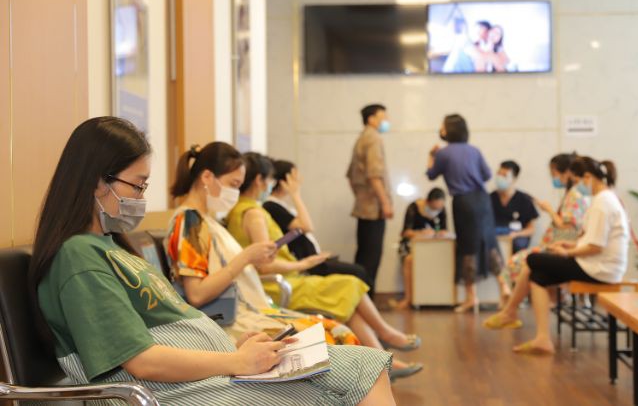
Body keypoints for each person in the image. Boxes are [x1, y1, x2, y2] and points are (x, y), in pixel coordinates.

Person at [30, 117, 394, 405]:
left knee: (364, 363)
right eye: (137, 185)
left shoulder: (110, 246)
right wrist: (235, 360)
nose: (141, 197)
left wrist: (232, 349)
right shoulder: (79, 257)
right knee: (340, 386)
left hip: (210, 368)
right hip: (172, 390)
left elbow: (166, 326)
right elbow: (141, 359)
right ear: (98, 182)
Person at [230, 152, 423, 381]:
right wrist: (303, 263)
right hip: (279, 284)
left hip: (286, 278)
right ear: (260, 180)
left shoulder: (245, 210)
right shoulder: (254, 214)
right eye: (270, 180)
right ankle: (386, 340)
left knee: (349, 297)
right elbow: (264, 265)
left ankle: (383, 361)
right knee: (351, 283)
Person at [165, 143, 360, 346]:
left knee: (336, 330)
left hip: (247, 312)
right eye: (233, 184)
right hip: (231, 322)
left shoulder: (206, 221)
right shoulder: (190, 221)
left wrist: (253, 257)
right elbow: (197, 294)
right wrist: (247, 257)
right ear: (207, 177)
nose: (235, 192)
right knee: (336, 335)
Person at [483, 156, 629, 356]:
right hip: (597, 264)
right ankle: (540, 337)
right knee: (538, 275)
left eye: (577, 181)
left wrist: (568, 252)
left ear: (588, 177)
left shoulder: (603, 202)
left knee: (533, 260)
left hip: (600, 268)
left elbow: (595, 246)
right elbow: (591, 240)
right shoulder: (603, 199)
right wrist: (571, 245)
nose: (577, 186)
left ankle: (510, 312)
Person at [426, 114, 510, 312]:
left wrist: (431, 156)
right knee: (490, 243)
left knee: (467, 248)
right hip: (483, 199)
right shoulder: (474, 150)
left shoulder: (443, 153)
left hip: (463, 202)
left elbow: (431, 175)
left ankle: (472, 297)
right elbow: (487, 175)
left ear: (449, 131)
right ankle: (504, 287)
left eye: (443, 127)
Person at [265, 159, 373, 291]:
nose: (299, 181)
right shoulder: (271, 205)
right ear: (284, 181)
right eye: (295, 177)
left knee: (360, 271)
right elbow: (307, 226)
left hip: (313, 259)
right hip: (307, 264)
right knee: (358, 272)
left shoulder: (279, 204)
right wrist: (296, 195)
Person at [504, 153, 590, 284]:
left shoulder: (574, 195)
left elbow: (568, 226)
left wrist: (549, 210)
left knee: (519, 263)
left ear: (567, 173)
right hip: (556, 245)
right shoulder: (571, 194)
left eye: (554, 173)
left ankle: (510, 296)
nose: (553, 177)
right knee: (527, 269)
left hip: (561, 247)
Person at [347, 104, 393, 291]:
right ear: (371, 119)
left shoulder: (361, 138)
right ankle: (366, 301)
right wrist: (385, 203)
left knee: (363, 256)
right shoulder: (373, 139)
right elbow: (374, 175)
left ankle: (358, 298)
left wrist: (360, 197)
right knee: (371, 259)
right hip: (374, 210)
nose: (387, 121)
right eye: (383, 117)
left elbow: (350, 176)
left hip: (363, 208)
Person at [389, 188, 449, 310]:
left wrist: (440, 233)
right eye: (433, 207)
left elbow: (444, 229)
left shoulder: (442, 210)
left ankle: (437, 297)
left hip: (434, 246)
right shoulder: (413, 208)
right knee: (409, 260)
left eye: (438, 208)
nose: (435, 211)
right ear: (427, 201)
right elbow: (405, 232)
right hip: (412, 245)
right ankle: (408, 298)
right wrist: (421, 233)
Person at [490, 160, 539, 254]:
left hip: (517, 237)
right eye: (499, 174)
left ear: (514, 179)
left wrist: (517, 234)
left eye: (504, 175)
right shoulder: (489, 198)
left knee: (518, 244)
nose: (500, 178)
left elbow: (531, 229)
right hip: (495, 236)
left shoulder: (524, 200)